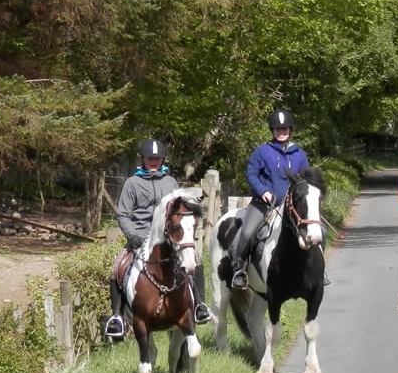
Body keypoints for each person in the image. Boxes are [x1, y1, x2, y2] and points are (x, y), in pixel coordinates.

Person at [104, 139, 211, 338]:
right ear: (142, 159)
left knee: (195, 259)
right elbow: (123, 215)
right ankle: (117, 318)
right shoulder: (132, 183)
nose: (154, 162)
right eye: (150, 158)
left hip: (168, 237)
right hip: (140, 236)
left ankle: (200, 306)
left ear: (162, 160)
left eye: (157, 159)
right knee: (117, 266)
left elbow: (179, 210)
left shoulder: (170, 182)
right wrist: (132, 235)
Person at [230, 109, 313, 289]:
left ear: (290, 130)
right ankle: (239, 269)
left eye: (284, 129)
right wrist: (263, 191)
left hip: (291, 206)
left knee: (315, 229)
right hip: (264, 204)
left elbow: (306, 179)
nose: (281, 132)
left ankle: (317, 270)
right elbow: (251, 174)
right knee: (247, 232)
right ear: (272, 131)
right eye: (277, 129)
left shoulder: (299, 154)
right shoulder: (262, 151)